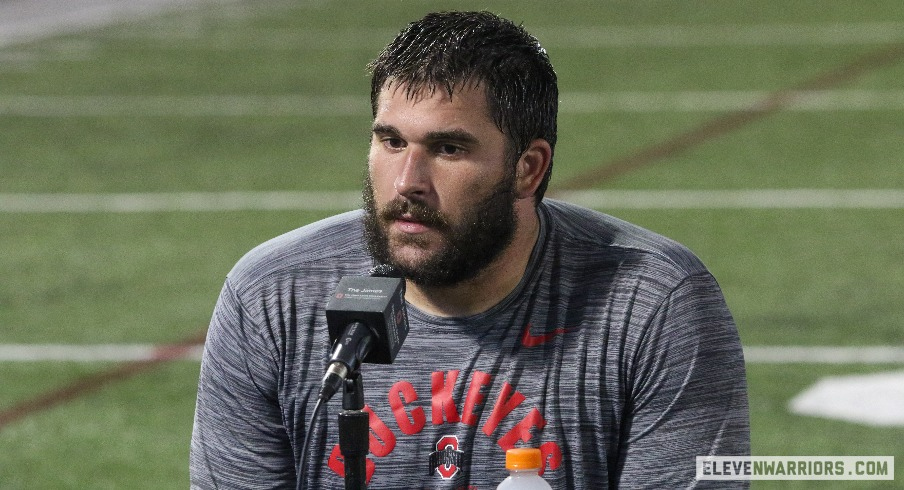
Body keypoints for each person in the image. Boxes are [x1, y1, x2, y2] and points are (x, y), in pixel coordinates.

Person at [190, 10, 749, 489]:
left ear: (527, 169)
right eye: (390, 141)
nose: (407, 181)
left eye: (449, 148)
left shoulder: (652, 303)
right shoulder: (272, 295)